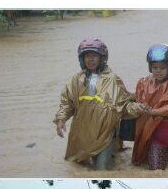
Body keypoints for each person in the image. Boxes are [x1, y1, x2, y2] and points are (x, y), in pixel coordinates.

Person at [54, 39, 146, 170]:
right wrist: (61, 119)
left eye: (94, 56)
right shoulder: (76, 80)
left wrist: (138, 108)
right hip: (82, 134)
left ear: (102, 58)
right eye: (87, 56)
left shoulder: (113, 79)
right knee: (77, 167)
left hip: (105, 133)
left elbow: (124, 105)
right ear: (82, 59)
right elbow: (67, 103)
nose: (90, 60)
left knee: (102, 171)